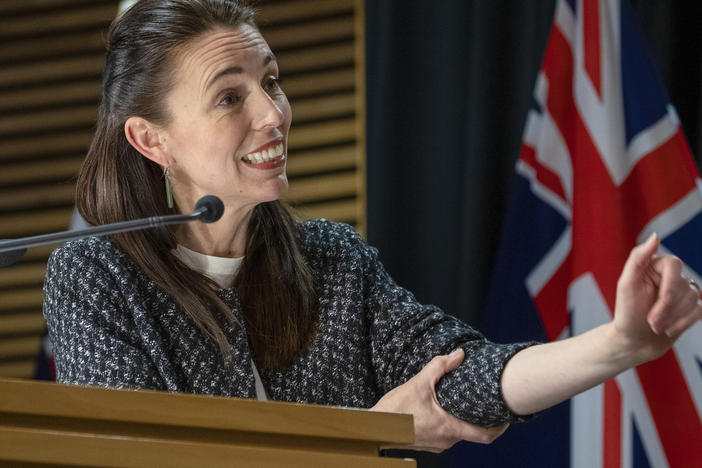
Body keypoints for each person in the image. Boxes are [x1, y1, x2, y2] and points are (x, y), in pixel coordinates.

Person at [42, 0, 702, 453]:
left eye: (270, 81)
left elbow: (465, 378)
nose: (273, 114)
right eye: (229, 96)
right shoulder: (96, 276)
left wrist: (616, 344)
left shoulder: (332, 259)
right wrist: (361, 434)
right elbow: (142, 458)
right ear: (151, 139)